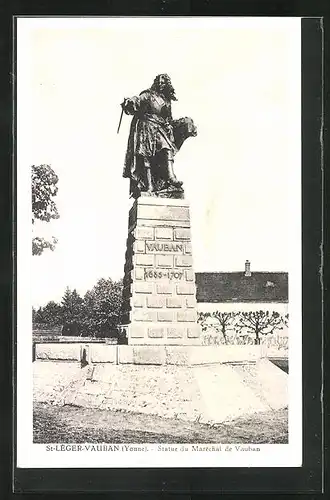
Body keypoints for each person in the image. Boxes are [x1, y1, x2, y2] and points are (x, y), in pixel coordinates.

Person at [122, 74, 196, 197]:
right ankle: (149, 185)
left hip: (160, 128)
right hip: (147, 128)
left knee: (167, 149)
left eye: (163, 83)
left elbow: (168, 119)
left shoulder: (167, 101)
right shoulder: (148, 95)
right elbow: (137, 100)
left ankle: (171, 177)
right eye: (159, 82)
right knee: (146, 156)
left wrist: (182, 124)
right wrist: (130, 101)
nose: (161, 85)